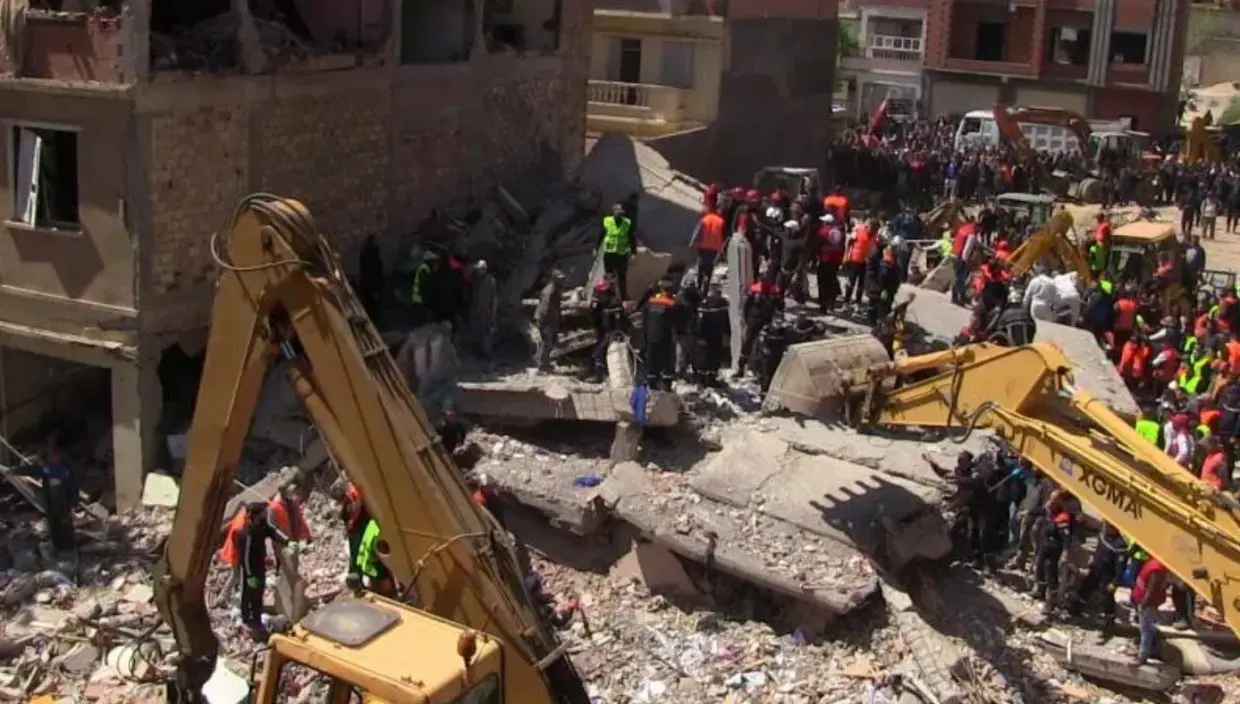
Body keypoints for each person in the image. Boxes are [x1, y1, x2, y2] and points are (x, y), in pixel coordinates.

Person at [37, 441, 77, 553]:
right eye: (51, 456)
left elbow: (72, 488)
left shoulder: (66, 470)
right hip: (52, 504)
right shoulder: (47, 471)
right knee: (54, 527)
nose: (53, 458)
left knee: (65, 526)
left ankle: (69, 548)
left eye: (54, 456)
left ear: (58, 456)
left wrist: (73, 503)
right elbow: (45, 489)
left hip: (64, 503)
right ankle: (58, 547)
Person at [1132, 556, 1170, 665]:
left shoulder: (1157, 568)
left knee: (1146, 629)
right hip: (1144, 600)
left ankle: (1142, 656)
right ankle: (1153, 649)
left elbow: (1152, 588)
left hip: (1147, 602)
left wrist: (1144, 603)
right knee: (1147, 627)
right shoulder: (1155, 562)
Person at [643, 280, 677, 390]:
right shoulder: (671, 303)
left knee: (652, 360)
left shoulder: (651, 301)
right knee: (666, 361)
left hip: (650, 336)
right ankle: (666, 385)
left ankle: (652, 384)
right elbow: (675, 322)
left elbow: (644, 318)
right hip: (665, 337)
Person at [696, 285, 730, 386]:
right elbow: (700, 321)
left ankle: (708, 379)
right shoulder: (708, 304)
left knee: (711, 357)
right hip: (711, 335)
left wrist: (727, 333)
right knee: (709, 357)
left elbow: (725, 319)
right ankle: (706, 379)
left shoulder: (714, 303)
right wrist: (700, 336)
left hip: (713, 335)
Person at [601, 203, 636, 300]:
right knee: (609, 276)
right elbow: (601, 234)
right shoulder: (607, 221)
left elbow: (632, 238)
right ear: (613, 212)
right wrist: (596, 248)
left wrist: (633, 252)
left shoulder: (627, 223)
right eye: (617, 212)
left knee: (622, 277)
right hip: (609, 253)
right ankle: (609, 295)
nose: (619, 214)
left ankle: (623, 296)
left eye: (620, 212)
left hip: (621, 254)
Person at [356, 518, 397, 597]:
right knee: (384, 583)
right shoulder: (378, 529)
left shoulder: (372, 525)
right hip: (373, 564)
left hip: (369, 562)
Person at [534, 271, 566, 372]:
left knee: (549, 342)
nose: (562, 280)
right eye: (560, 278)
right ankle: (542, 365)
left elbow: (556, 306)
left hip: (550, 319)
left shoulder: (556, 289)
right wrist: (546, 322)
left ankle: (543, 362)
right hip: (546, 319)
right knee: (546, 342)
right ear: (554, 279)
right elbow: (545, 308)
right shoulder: (550, 291)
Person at [689, 206, 726, 291]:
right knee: (709, 268)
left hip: (703, 246)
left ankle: (699, 286)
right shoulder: (721, 221)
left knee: (701, 266)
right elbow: (724, 236)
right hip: (714, 248)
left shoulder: (704, 219)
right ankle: (706, 287)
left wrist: (692, 242)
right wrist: (722, 250)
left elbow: (697, 231)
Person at [358, 234, 384, 322]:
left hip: (369, 287)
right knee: (373, 308)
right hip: (371, 288)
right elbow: (372, 274)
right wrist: (376, 290)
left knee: (372, 308)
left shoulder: (367, 255)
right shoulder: (371, 256)